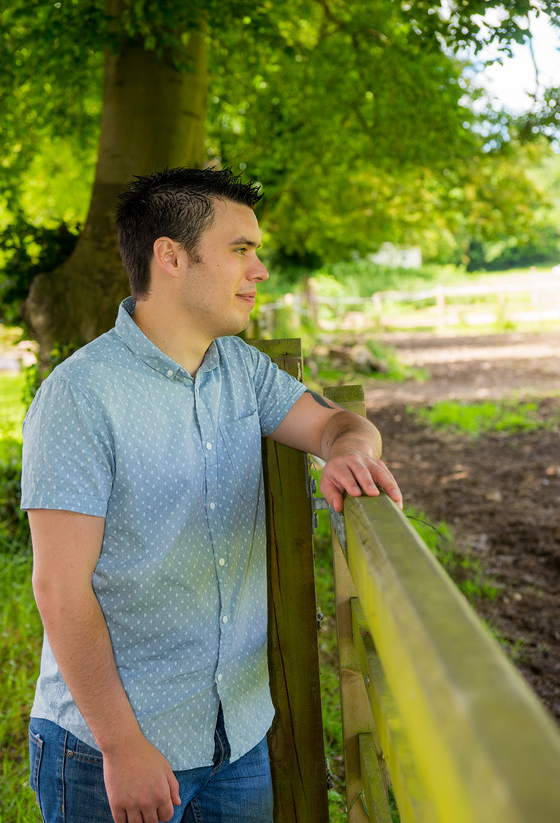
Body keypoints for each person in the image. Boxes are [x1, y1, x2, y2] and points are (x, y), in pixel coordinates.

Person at [21, 166, 402, 823]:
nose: (258, 270)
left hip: (237, 743)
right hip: (110, 751)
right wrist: (123, 746)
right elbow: (59, 588)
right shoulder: (80, 396)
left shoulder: (242, 371)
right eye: (240, 249)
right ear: (170, 256)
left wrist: (348, 453)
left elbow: (341, 422)